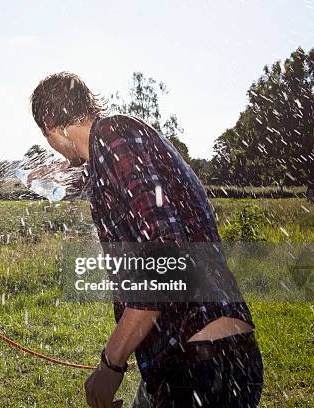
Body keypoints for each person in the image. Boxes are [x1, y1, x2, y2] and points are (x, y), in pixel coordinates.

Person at [29, 72, 263, 407]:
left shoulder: (112, 137)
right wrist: (38, 176)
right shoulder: (111, 147)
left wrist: (112, 362)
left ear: (52, 124)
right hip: (201, 361)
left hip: (202, 366)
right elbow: (87, 185)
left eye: (46, 136)